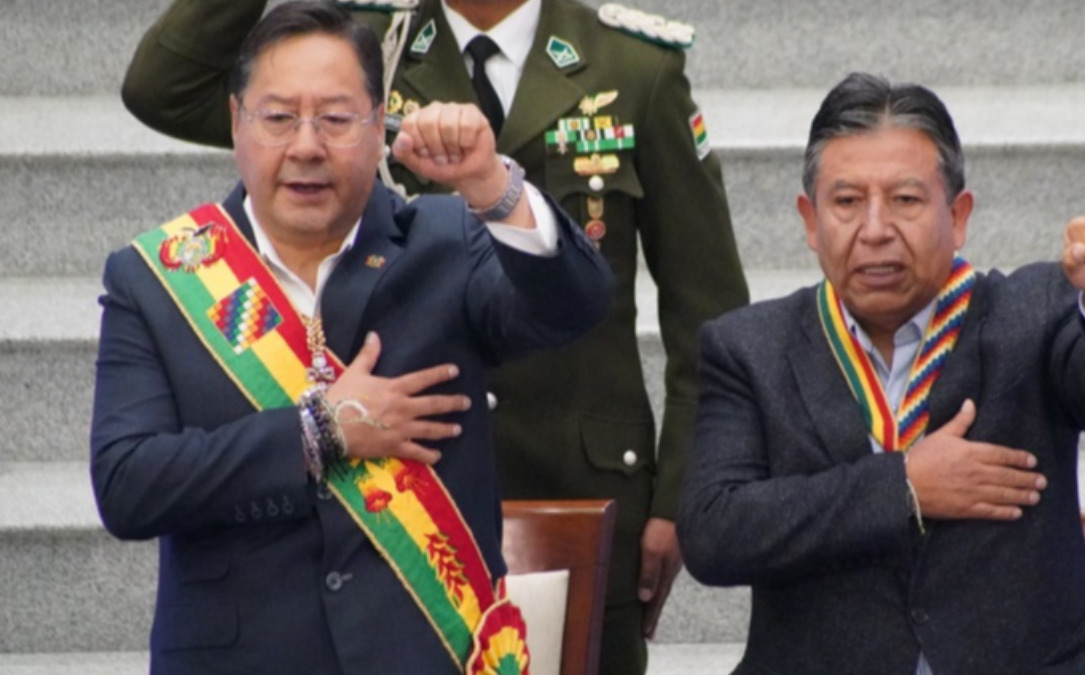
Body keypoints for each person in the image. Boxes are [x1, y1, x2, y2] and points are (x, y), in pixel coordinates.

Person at [121, 0, 749, 671]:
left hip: (577, 480)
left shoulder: (634, 63)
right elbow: (164, 90)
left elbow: (705, 302)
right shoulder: (363, 46)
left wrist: (686, 487)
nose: (310, 132)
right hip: (385, 492)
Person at [676, 72, 1085, 675]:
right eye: (846, 202)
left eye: (906, 200)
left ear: (959, 214)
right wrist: (904, 486)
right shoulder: (749, 348)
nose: (875, 229)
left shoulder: (1033, 313)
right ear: (811, 221)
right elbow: (714, 533)